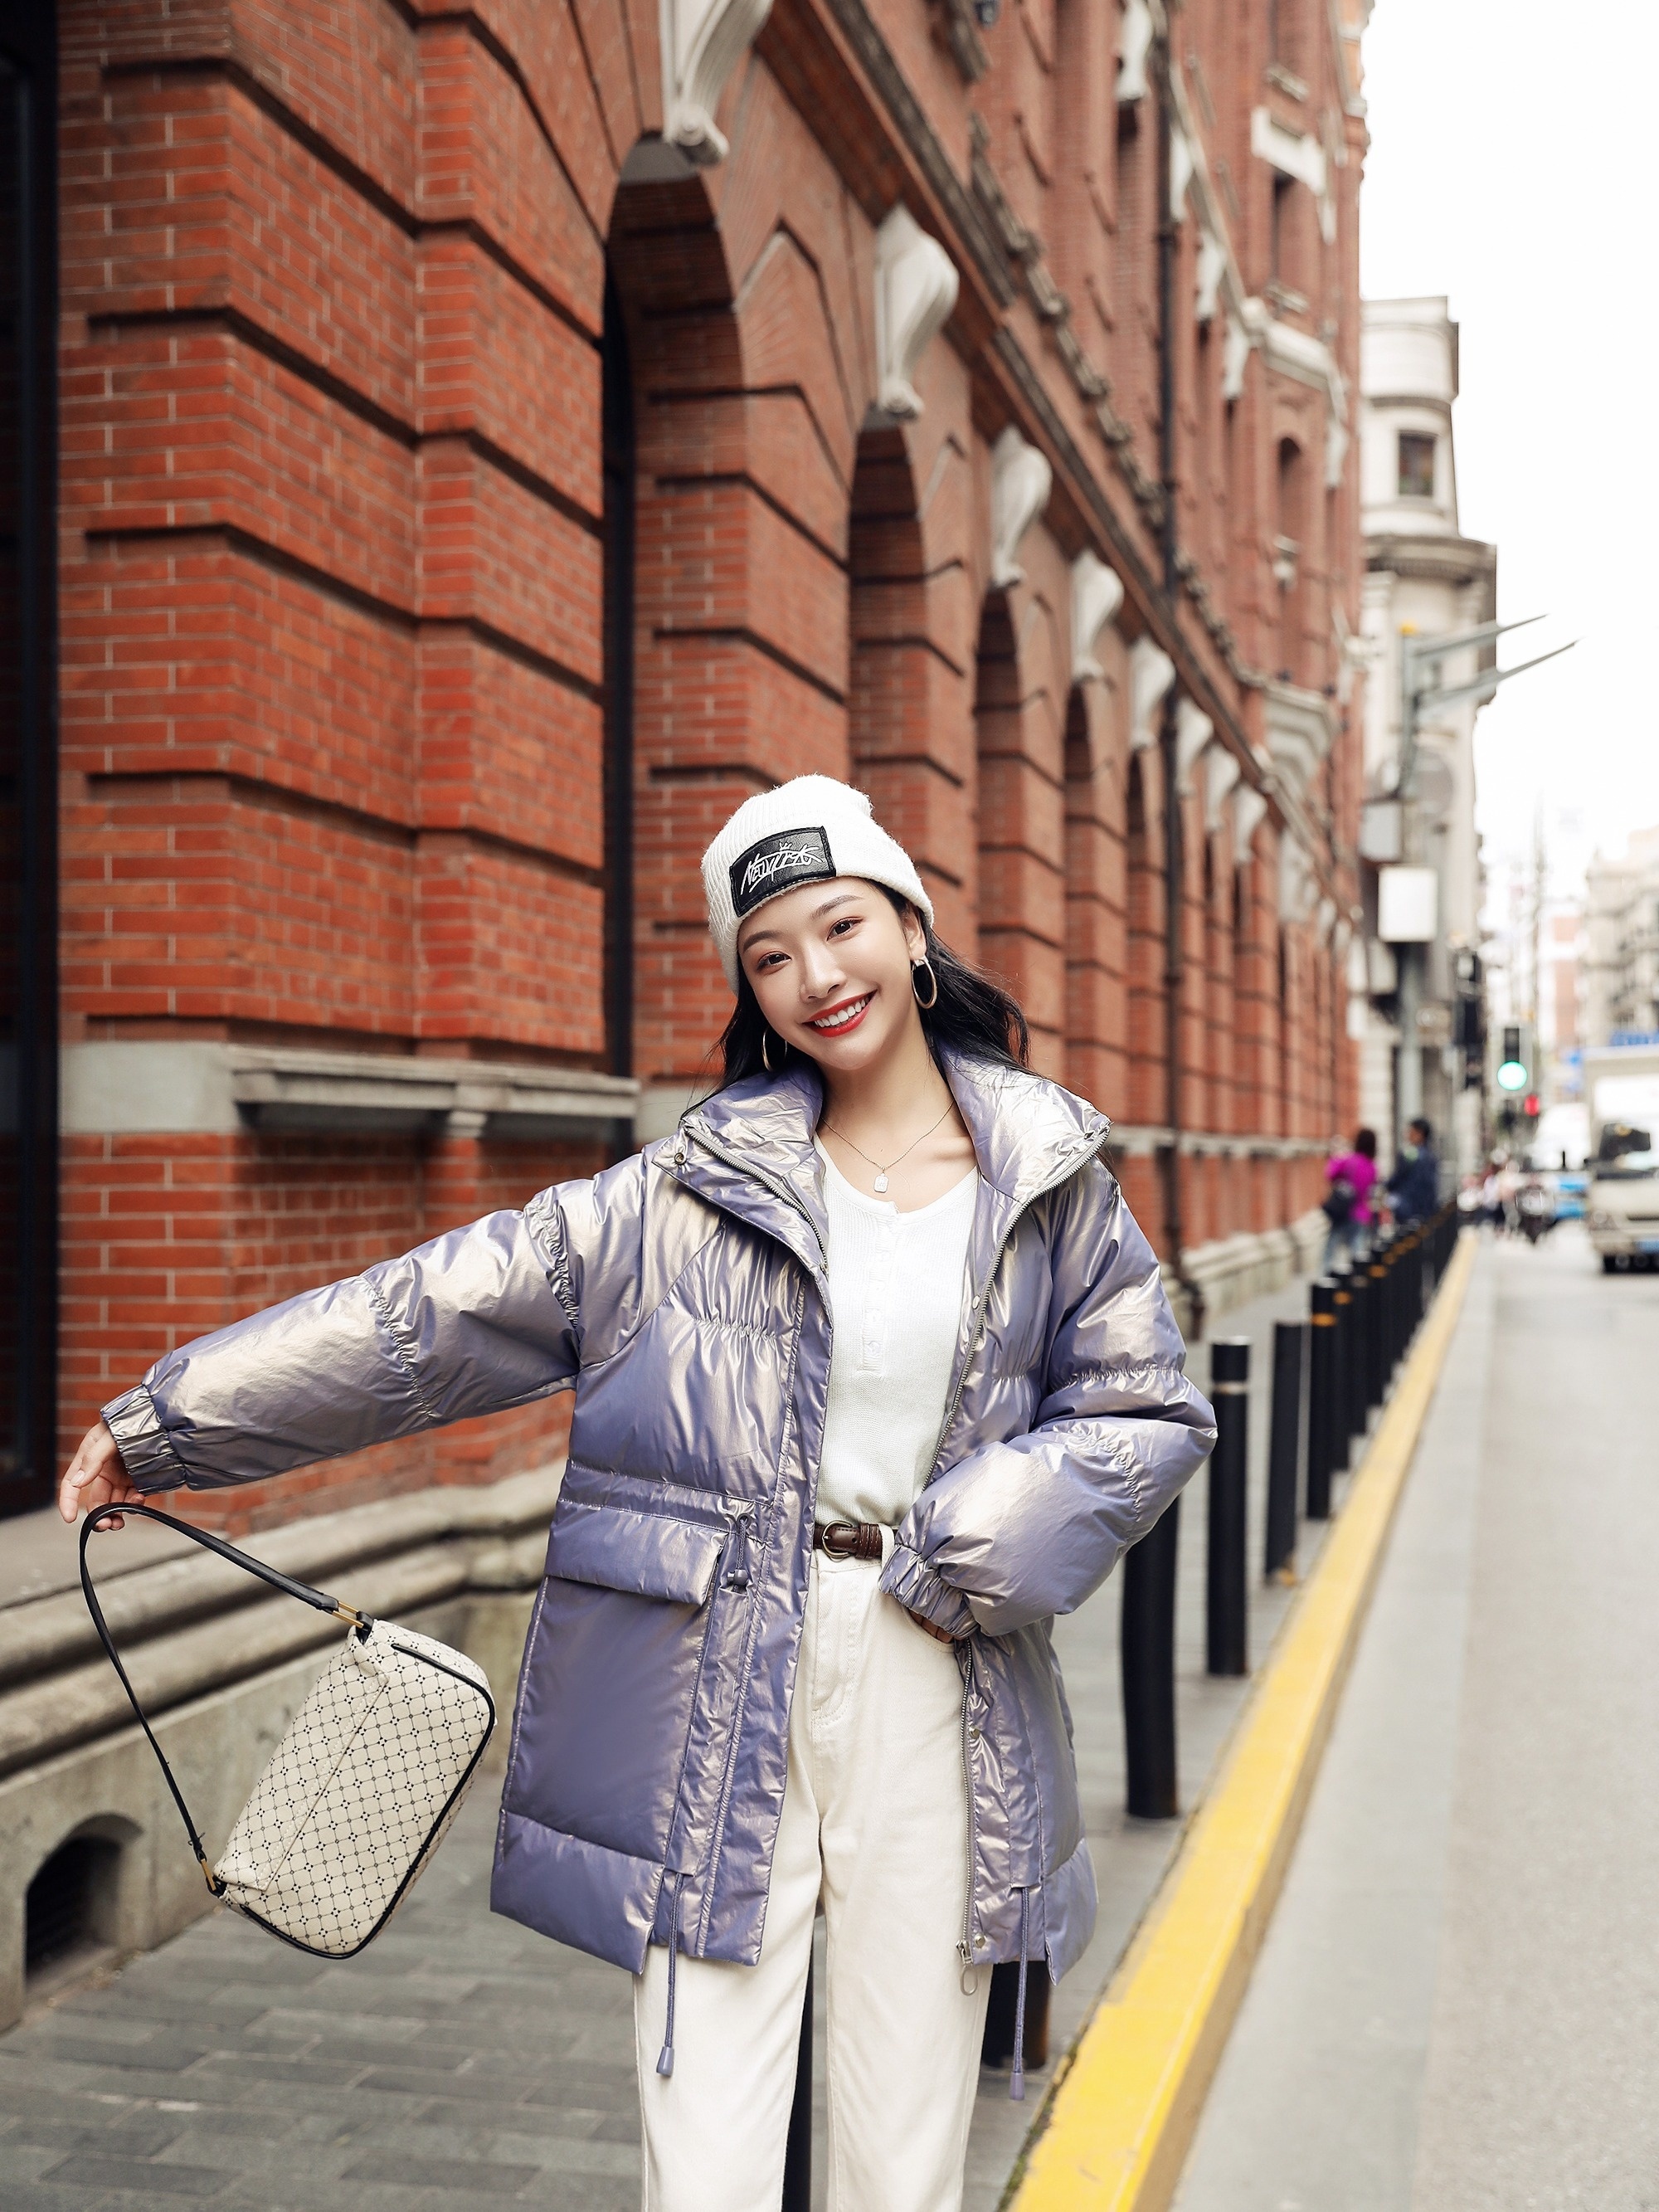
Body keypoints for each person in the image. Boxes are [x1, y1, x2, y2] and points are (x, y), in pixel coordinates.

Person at [58, 775, 1216, 2212]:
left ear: (912, 931)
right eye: (770, 954)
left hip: (942, 1666)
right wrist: (169, 1421)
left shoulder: (1048, 1178)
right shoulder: (679, 1195)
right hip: (719, 1682)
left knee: (902, 2141)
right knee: (705, 2145)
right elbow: (428, 1318)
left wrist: (983, 1538)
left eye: (841, 925)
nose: (816, 976)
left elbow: (1144, 1405)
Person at [1321, 1126, 1378, 1272]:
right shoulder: (1372, 1166)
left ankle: (1326, 1282)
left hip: (1343, 1212)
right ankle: (1358, 1283)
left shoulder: (1349, 1160)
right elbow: (1371, 1190)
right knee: (1356, 1251)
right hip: (1361, 1215)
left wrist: (1336, 1154)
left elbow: (1329, 1173)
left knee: (1330, 1251)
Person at [1388, 1116, 1441, 1224]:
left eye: (1411, 1132)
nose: (1408, 1135)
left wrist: (1387, 1186)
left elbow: (1397, 1178)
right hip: (1426, 1209)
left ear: (1419, 1134)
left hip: (1407, 1208)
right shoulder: (1431, 1156)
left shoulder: (1410, 1154)